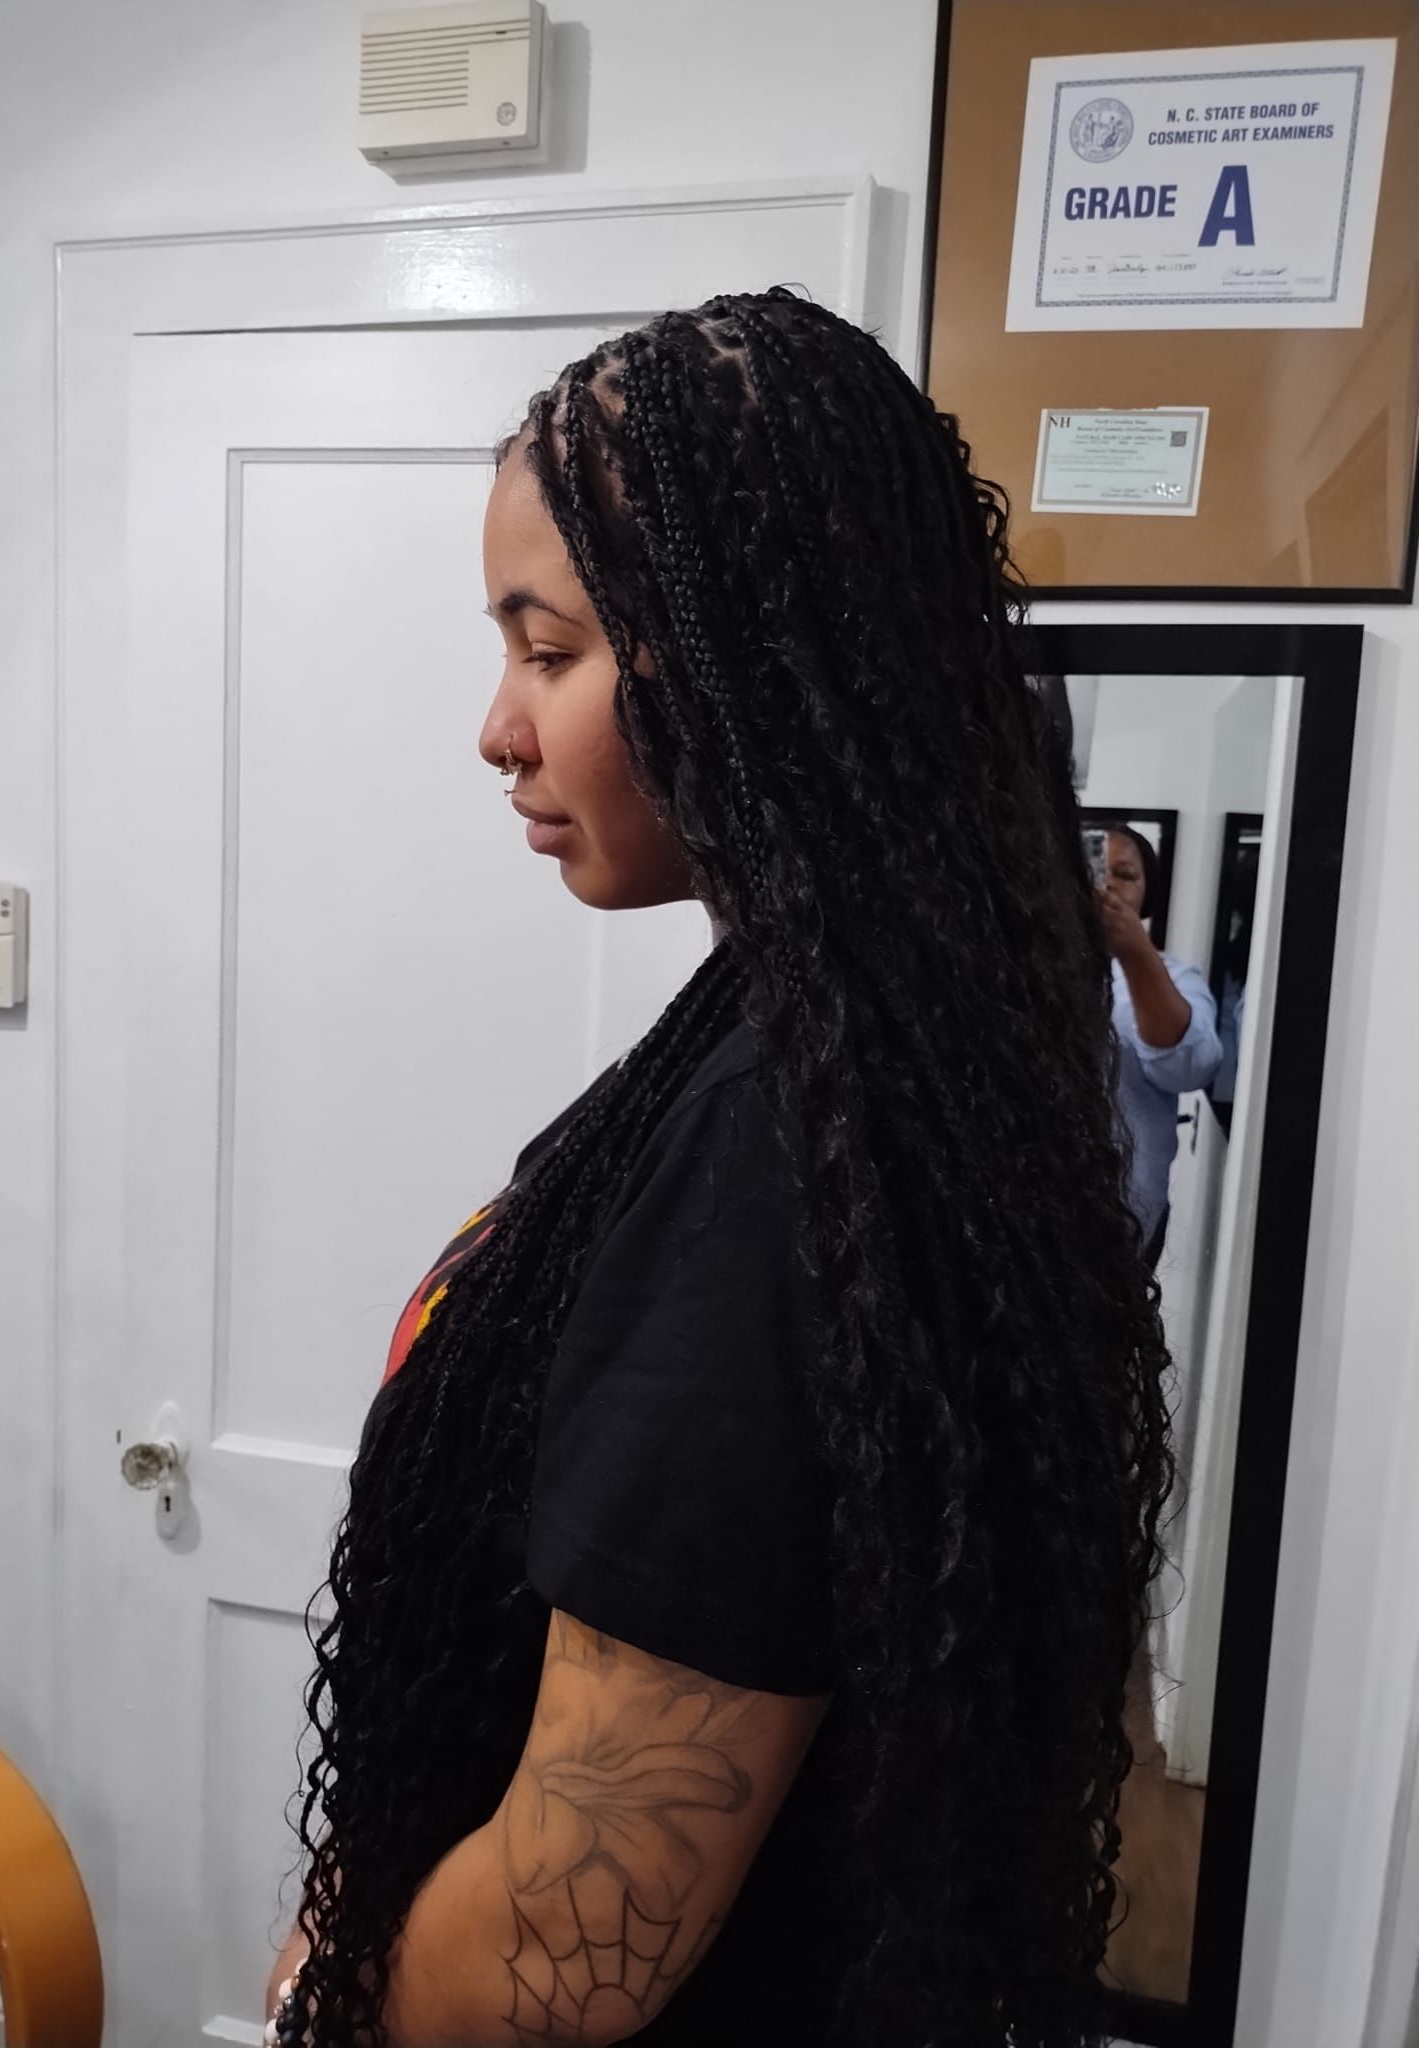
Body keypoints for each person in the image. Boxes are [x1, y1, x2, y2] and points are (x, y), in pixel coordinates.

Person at [270, 291, 1174, 2048]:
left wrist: (346, 1978)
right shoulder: (900, 1039)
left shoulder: (776, 1148)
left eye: (549, 650)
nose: (498, 728)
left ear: (747, 658)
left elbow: (563, 1947)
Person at [1096, 826, 1223, 1269]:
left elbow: (1194, 1066)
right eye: (1095, 868)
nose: (1108, 884)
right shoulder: (1018, 967)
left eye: (1125, 874)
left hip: (1123, 1226)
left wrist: (1133, 952)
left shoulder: (1176, 978)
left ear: (1147, 892)